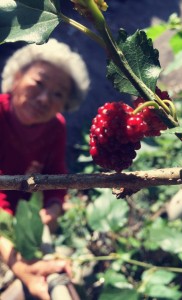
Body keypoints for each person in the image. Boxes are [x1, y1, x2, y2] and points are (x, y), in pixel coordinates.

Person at [0, 38, 90, 299]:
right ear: (16, 77)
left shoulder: (55, 127)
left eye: (57, 94)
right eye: (39, 83)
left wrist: (53, 207)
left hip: (28, 220)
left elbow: (57, 174)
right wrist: (15, 257)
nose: (43, 99)